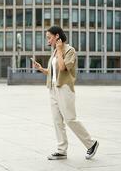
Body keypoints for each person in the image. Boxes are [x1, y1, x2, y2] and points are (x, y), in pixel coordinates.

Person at [32, 26, 99, 160]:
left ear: (57, 36)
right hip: (53, 89)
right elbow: (53, 73)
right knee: (57, 121)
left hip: (65, 89)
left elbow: (63, 68)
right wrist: (41, 69)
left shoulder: (69, 50)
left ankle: (91, 143)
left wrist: (61, 50)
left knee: (70, 119)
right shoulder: (55, 51)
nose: (48, 41)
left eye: (49, 37)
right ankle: (61, 150)